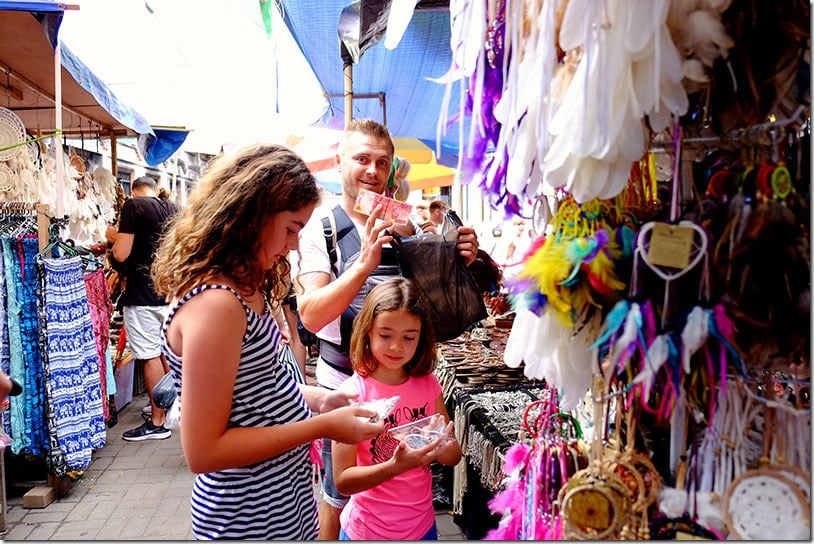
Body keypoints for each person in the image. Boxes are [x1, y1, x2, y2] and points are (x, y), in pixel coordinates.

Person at [150, 143, 385, 540]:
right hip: (246, 520)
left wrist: (318, 400)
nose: (293, 245)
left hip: (279, 507)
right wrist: (322, 425)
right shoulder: (217, 305)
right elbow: (203, 451)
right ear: (252, 215)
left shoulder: (243, 288)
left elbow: (256, 389)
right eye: (292, 228)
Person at [292, 118, 479, 540]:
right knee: (339, 498)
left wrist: (456, 264)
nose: (372, 171)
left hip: (405, 386)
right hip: (345, 383)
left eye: (382, 162)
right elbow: (310, 316)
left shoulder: (407, 228)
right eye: (362, 159)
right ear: (341, 162)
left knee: (403, 481)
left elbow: (432, 315)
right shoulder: (321, 230)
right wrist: (363, 265)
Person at [332, 277, 462, 540]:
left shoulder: (428, 384)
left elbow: (453, 457)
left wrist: (442, 443)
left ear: (421, 338)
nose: (396, 347)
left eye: (408, 337)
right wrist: (394, 466)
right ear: (368, 331)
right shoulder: (352, 393)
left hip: (421, 526)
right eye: (385, 335)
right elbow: (343, 481)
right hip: (367, 530)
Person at [106, 176, 178, 441]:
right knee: (165, 354)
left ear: (133, 191)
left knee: (149, 355)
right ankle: (170, 408)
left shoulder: (134, 207)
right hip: (169, 292)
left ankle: (158, 423)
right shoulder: (174, 208)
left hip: (142, 293)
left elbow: (122, 254)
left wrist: (114, 238)